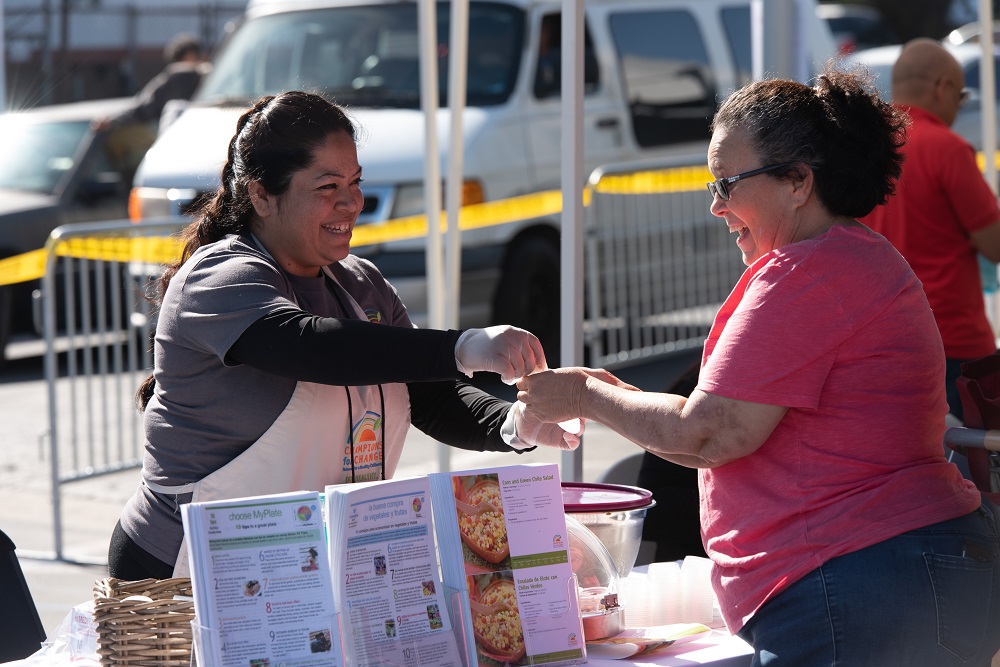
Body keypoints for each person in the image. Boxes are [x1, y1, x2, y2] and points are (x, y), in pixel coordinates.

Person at [518, 66, 1000, 665]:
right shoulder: (850, 259)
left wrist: (585, 397)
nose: (717, 206)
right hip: (892, 573)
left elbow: (710, 432)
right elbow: (719, 423)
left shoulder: (803, 275)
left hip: (860, 579)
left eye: (728, 183)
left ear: (798, 181)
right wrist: (603, 390)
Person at [108, 90, 579, 581]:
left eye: (355, 182)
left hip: (306, 569)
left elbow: (429, 397)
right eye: (327, 186)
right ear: (261, 196)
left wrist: (517, 423)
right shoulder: (220, 278)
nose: (351, 202)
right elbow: (314, 346)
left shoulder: (362, 282)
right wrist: (464, 347)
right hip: (183, 572)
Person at [862, 38, 1000, 423]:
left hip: (879, 339)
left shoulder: (864, 151)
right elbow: (994, 245)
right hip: (953, 339)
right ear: (942, 87)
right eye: (961, 95)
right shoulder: (948, 148)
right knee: (969, 462)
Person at [94, 33, 210, 133]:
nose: (186, 73)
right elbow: (141, 110)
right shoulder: (170, 84)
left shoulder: (214, 79)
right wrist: (111, 120)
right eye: (180, 68)